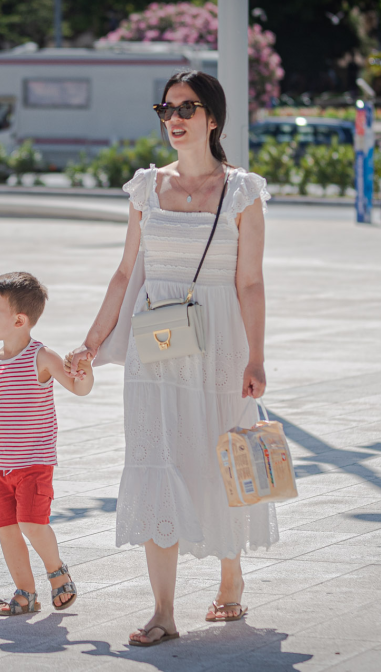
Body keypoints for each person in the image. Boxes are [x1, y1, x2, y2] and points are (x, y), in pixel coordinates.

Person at [67, 70, 277, 646]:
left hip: (220, 347)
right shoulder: (146, 188)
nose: (174, 118)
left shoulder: (243, 192)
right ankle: (163, 611)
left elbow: (251, 284)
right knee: (158, 461)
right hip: (156, 345)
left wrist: (256, 358)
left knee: (221, 461)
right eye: (167, 108)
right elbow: (124, 272)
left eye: (187, 107)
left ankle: (230, 582)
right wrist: (90, 342)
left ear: (214, 118)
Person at [0, 271, 93, 616]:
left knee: (32, 522)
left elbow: (78, 388)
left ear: (19, 319)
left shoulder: (40, 357)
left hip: (33, 462)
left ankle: (58, 573)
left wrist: (85, 372)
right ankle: (25, 592)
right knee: (7, 530)